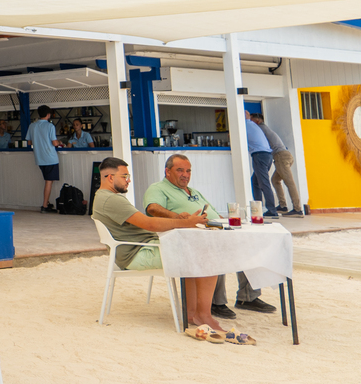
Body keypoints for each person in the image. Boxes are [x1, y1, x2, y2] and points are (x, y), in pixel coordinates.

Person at [92, 158, 224, 335]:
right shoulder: (111, 199)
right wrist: (187, 223)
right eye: (124, 176)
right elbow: (150, 223)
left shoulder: (105, 197)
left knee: (195, 248)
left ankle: (192, 313)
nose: (128, 180)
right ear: (110, 177)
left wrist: (179, 220)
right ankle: (204, 315)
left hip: (138, 248)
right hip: (137, 253)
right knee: (206, 254)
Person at [141, 153, 271, 320]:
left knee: (247, 242)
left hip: (211, 229)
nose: (185, 175)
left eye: (188, 171)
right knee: (213, 247)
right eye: (180, 170)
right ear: (167, 171)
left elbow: (214, 213)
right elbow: (152, 208)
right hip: (188, 237)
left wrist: (226, 223)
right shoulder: (158, 188)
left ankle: (248, 297)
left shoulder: (193, 191)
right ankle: (216, 302)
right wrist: (177, 217)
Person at [252, 112, 303, 216]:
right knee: (275, 180)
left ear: (257, 121)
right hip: (283, 155)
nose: (250, 123)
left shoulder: (260, 128)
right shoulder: (265, 128)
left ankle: (297, 209)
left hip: (280, 156)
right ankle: (283, 206)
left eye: (251, 120)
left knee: (289, 182)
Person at [243, 114, 279, 219]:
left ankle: (272, 210)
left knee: (264, 183)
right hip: (267, 156)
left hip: (260, 155)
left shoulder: (244, 125)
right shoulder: (253, 125)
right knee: (255, 182)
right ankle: (257, 209)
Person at [27, 105, 61, 213]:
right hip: (50, 157)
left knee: (47, 180)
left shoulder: (32, 126)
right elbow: (54, 143)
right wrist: (59, 142)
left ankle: (47, 203)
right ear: (48, 114)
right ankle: (44, 206)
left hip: (39, 158)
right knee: (49, 182)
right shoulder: (50, 126)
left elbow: (29, 142)